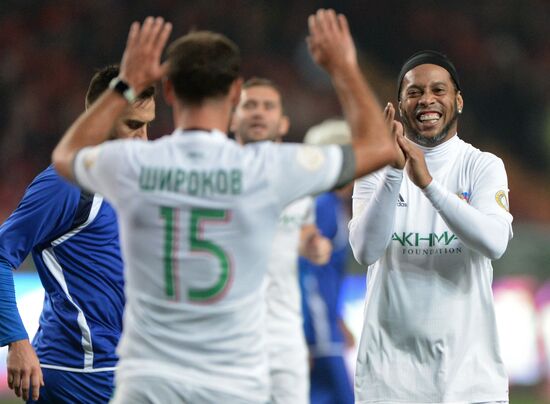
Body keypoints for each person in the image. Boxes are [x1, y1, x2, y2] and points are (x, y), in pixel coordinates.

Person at [51, 11, 398, 403]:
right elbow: (379, 147)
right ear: (236, 93)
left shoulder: (136, 164)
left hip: (148, 383)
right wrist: (342, 67)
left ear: (167, 91)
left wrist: (125, 84)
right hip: (233, 385)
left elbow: (66, 155)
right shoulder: (266, 169)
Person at [349, 50, 513, 403]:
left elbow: (495, 242)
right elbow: (365, 250)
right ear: (400, 104)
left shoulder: (483, 166)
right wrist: (394, 173)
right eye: (414, 92)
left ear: (458, 101)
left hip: (470, 382)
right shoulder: (374, 168)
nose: (427, 99)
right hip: (388, 382)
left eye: (438, 90)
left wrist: (429, 186)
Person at [0, 64, 156, 403]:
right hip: (73, 376)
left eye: (148, 126)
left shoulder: (138, 183)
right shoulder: (66, 183)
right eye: (133, 125)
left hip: (129, 371)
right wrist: (16, 340)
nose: (144, 138)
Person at [231, 77, 332, 404]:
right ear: (233, 118)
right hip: (228, 337)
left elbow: (304, 235)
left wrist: (315, 247)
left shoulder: (299, 179)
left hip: (284, 336)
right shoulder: (216, 175)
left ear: (283, 122)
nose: (259, 113)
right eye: (250, 105)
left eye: (268, 106)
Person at [299, 119, 355, 404]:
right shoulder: (322, 205)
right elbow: (307, 272)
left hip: (324, 325)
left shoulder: (330, 204)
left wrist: (338, 320)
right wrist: (314, 335)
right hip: (318, 332)